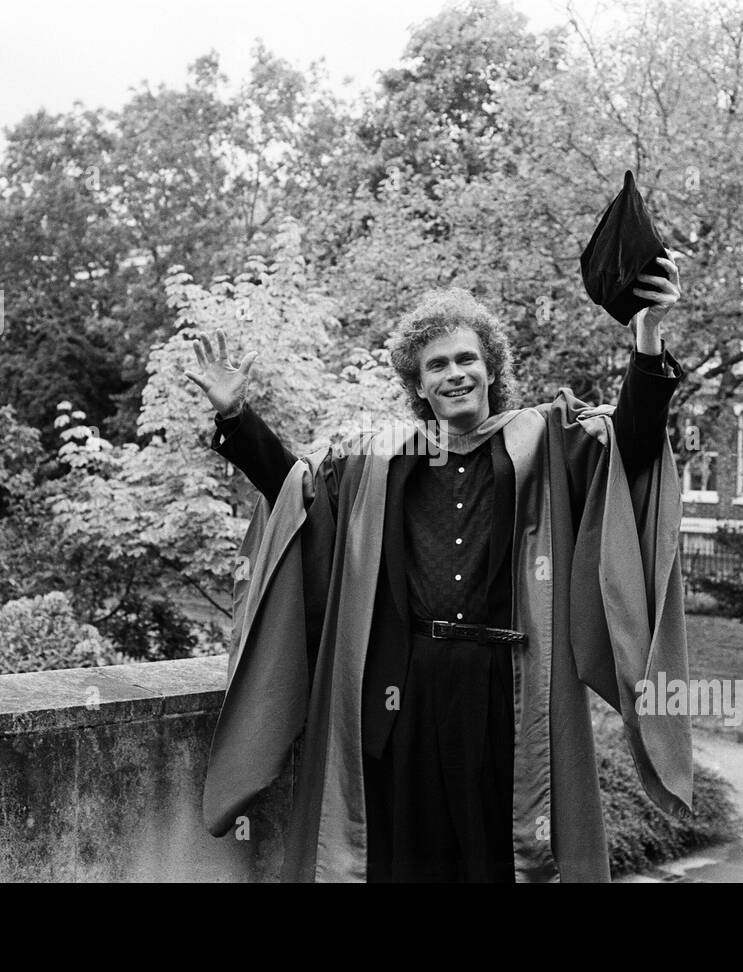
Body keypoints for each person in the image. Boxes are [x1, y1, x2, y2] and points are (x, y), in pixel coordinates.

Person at [188, 255, 692, 883]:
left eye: (466, 360)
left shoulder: (544, 439)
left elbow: (634, 447)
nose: (454, 374)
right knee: (403, 860)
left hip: (506, 689)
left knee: (497, 857)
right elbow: (297, 495)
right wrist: (236, 418)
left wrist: (646, 337)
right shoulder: (377, 461)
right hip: (403, 690)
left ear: (491, 371)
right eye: (437, 366)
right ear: (417, 385)